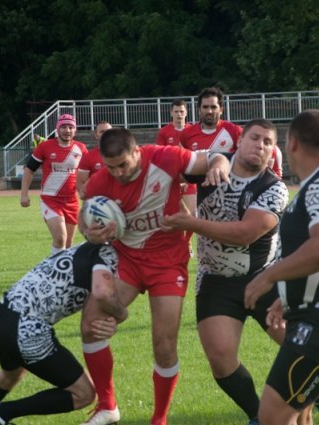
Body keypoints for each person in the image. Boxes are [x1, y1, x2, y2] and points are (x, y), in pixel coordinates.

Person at [163, 119, 319, 425]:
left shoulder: (273, 188)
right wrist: (209, 164)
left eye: (267, 142)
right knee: (220, 359)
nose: (260, 146)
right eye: (255, 138)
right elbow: (168, 165)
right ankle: (257, 415)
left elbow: (244, 234)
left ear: (273, 151)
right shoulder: (210, 166)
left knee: (301, 348)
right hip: (216, 280)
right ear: (239, 141)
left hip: (266, 277)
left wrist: (190, 222)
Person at [78, 128, 231, 425]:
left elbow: (213, 157)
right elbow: (86, 216)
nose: (118, 173)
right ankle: (107, 406)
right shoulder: (101, 181)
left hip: (167, 265)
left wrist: (219, 166)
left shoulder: (166, 157)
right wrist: (90, 232)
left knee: (164, 346)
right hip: (128, 262)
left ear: (137, 152)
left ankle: (159, 419)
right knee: (91, 324)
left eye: (123, 165)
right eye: (111, 167)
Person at [244, 109, 319, 425]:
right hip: (316, 315)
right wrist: (288, 297)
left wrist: (270, 275)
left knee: (273, 415)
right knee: (299, 415)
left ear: (293, 143)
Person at [0, 242, 128, 425]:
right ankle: (0, 413)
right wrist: (122, 315)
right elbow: (103, 293)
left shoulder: (89, 246)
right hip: (26, 329)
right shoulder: (108, 253)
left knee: (11, 374)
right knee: (84, 394)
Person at [20, 114, 88, 255]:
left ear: (75, 130)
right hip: (50, 200)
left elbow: (87, 173)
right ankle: (52, 267)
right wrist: (24, 194)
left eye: (71, 127)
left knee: (68, 244)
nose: (67, 130)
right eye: (64, 127)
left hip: (72, 201)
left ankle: (61, 268)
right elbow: (29, 170)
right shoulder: (45, 147)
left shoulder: (81, 148)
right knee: (60, 239)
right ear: (57, 129)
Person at [180, 87, 283, 178]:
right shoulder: (186, 134)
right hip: (199, 190)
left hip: (229, 187)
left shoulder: (234, 130)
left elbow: (273, 149)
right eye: (205, 107)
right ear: (199, 109)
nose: (209, 111)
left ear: (221, 109)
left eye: (213, 107)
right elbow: (180, 161)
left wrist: (276, 172)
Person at [156, 99, 196, 245]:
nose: (179, 114)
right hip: (170, 180)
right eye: (176, 111)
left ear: (186, 113)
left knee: (191, 215)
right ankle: (177, 243)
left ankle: (187, 243)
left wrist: (187, 180)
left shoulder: (193, 131)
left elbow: (195, 156)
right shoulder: (164, 132)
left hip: (190, 178)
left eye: (181, 111)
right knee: (173, 215)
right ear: (171, 113)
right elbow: (159, 158)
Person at [77, 121, 113, 200]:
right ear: (96, 135)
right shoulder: (88, 157)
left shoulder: (123, 154)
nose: (106, 134)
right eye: (102, 132)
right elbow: (81, 188)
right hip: (98, 202)